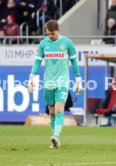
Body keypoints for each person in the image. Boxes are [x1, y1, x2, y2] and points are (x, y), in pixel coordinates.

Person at [28, 20, 82, 148]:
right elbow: (37, 62)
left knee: (59, 110)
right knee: (51, 112)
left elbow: (74, 62)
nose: (50, 36)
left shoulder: (67, 43)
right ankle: (56, 141)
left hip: (62, 82)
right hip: (48, 83)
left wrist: (78, 78)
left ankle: (56, 136)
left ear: (58, 30)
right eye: (48, 34)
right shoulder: (43, 44)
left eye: (52, 34)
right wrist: (32, 76)